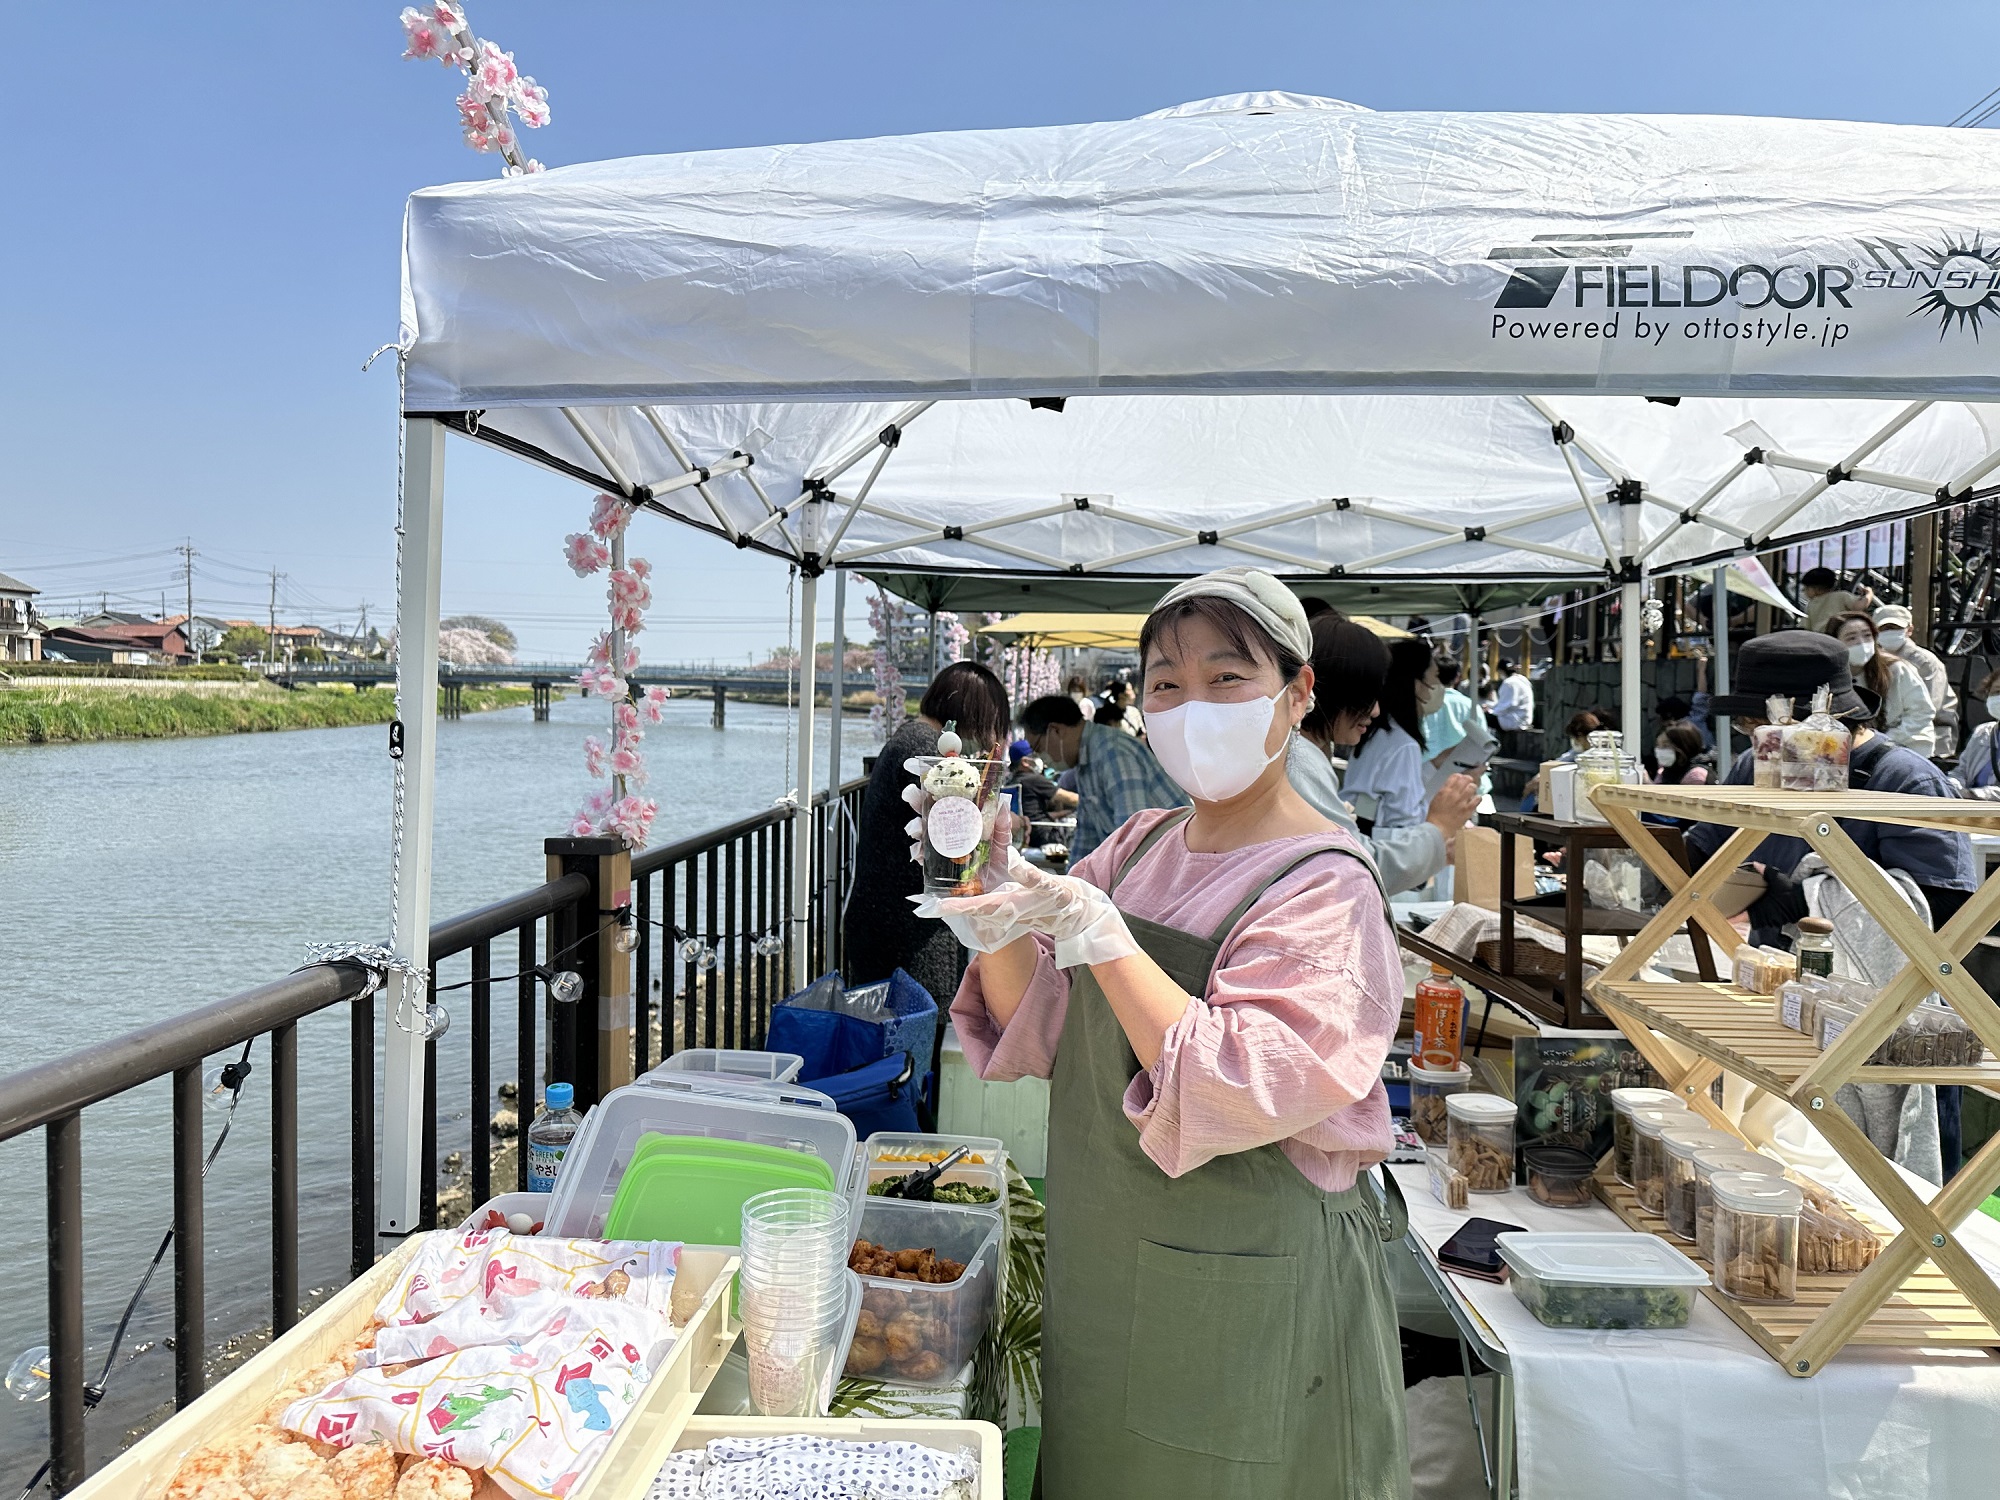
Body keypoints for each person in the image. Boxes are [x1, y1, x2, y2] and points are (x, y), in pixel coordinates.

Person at [934, 566, 1408, 1500]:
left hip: (1251, 1293)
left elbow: (1242, 1082)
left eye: (1227, 680)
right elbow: (1043, 1025)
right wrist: (987, 903)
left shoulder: (1326, 884)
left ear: (1297, 692)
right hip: (1107, 1270)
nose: (1193, 708)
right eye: (1165, 685)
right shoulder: (1139, 845)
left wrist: (1104, 937)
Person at [1691, 630, 1974, 947]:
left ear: (1823, 721)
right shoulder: (1753, 765)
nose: (1760, 743)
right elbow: (1707, 845)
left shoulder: (1906, 780)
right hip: (1771, 971)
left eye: (1765, 728)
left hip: (1874, 987)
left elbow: (1946, 904)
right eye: (1749, 728)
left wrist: (1805, 899)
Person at [843, 661, 1012, 999]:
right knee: (913, 1035)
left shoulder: (914, 738)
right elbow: (956, 826)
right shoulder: (924, 749)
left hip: (890, 920)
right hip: (903, 929)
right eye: (989, 720)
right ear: (971, 710)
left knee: (899, 1035)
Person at [1290, 616, 1479, 894]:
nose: (1376, 709)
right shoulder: (1300, 762)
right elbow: (1356, 867)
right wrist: (1438, 827)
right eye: (1367, 695)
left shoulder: (1306, 752)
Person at [1019, 694, 1188, 862]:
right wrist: (1071, 885)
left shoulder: (1112, 753)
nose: (1042, 757)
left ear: (1055, 730)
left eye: (1039, 748)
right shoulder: (1086, 761)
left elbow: (1134, 838)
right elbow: (1086, 839)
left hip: (1173, 859)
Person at [1341, 636, 1435, 836]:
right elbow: (1404, 819)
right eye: (1433, 680)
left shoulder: (1377, 732)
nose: (1436, 689)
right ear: (1416, 684)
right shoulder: (1404, 744)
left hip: (1359, 830)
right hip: (1381, 842)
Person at [1830, 611, 1935, 756]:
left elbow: (1922, 711)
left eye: (1867, 635)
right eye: (1851, 638)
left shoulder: (1896, 669)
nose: (1861, 643)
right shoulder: (1830, 677)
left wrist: (1884, 740)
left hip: (1905, 745)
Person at [1873, 604, 1958, 757]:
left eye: (1894, 627)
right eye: (1884, 628)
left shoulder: (1926, 661)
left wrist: (1891, 736)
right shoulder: (1872, 660)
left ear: (1909, 630)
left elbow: (1929, 707)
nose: (1889, 632)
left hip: (1932, 735)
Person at [1420, 655, 1495, 801]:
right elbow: (1484, 743)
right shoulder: (1471, 705)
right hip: (1466, 779)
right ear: (1457, 678)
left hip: (1429, 778)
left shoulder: (1424, 704)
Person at [1005, 737, 1076, 823]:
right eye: (1036, 756)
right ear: (1025, 762)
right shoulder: (1034, 780)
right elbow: (1071, 799)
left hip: (1028, 829)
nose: (1040, 759)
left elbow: (1034, 813)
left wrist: (1065, 812)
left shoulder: (1012, 781)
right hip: (1043, 832)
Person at [1954, 669, 2000, 800]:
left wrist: (1974, 795)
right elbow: (1961, 771)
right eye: (1997, 691)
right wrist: (1952, 785)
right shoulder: (1982, 732)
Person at [1800, 565, 1875, 634]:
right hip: (1840, 632)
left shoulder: (1811, 605)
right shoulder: (1842, 595)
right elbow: (1859, 607)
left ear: (1816, 589)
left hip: (1821, 636)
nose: (1804, 591)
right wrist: (1869, 594)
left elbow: (1806, 627)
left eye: (1806, 588)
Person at [1649, 720, 1711, 786]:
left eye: (1665, 745)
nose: (1660, 750)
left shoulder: (1696, 775)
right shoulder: (1664, 772)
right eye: (1658, 745)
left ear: (1683, 747)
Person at [1492, 656, 1534, 730]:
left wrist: (1490, 711)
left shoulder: (1509, 683)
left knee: (1482, 717)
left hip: (1515, 721)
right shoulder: (1524, 680)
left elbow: (1505, 706)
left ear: (1501, 671)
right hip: (1525, 719)